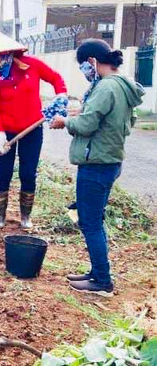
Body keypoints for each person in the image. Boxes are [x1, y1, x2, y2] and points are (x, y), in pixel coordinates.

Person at [50, 39, 143, 297]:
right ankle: (96, 272)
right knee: (94, 220)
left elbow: (88, 125)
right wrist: (80, 110)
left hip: (97, 164)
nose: (84, 70)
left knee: (90, 223)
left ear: (92, 61)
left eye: (84, 65)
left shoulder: (105, 87)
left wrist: (65, 121)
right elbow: (116, 118)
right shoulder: (122, 85)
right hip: (109, 160)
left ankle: (102, 281)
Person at [0, 31, 68, 228]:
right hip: (6, 132)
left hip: (32, 130)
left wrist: (61, 95)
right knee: (3, 172)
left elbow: (56, 78)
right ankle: (0, 217)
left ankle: (25, 217)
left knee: (27, 172)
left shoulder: (32, 65)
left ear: (6, 53)